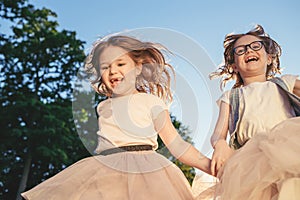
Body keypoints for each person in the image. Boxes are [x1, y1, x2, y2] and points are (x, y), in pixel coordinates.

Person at [21, 34, 212, 200]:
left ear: (138, 68)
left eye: (121, 63)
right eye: (105, 67)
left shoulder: (150, 102)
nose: (113, 71)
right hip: (105, 171)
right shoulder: (103, 106)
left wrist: (210, 166)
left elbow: (177, 145)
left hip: (147, 171)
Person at [209, 24, 300, 199]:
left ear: (269, 58)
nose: (249, 51)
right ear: (234, 66)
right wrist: (219, 144)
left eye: (255, 46)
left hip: (288, 149)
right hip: (250, 160)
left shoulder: (284, 83)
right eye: (240, 50)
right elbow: (218, 134)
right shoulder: (230, 96)